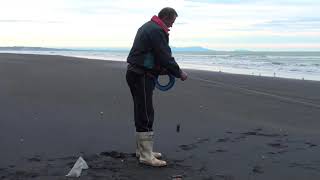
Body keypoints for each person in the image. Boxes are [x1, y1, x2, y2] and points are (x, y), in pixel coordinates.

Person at [126, 7, 187, 167]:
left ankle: (142, 151)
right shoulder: (156, 30)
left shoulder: (149, 26)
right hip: (141, 75)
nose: (172, 26)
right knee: (146, 112)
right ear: (165, 17)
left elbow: (153, 55)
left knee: (141, 111)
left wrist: (165, 70)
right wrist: (178, 72)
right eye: (172, 22)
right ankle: (146, 156)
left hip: (137, 73)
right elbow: (164, 55)